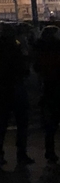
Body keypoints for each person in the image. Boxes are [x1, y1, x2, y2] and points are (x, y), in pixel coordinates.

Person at [0, 27, 34, 167]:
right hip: (16, 90)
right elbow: (24, 70)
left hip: (1, 91)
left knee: (1, 125)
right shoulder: (16, 50)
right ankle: (21, 154)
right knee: (21, 124)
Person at [35, 26, 60, 163]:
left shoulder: (41, 50)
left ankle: (50, 151)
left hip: (48, 89)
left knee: (51, 124)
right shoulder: (55, 49)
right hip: (54, 88)